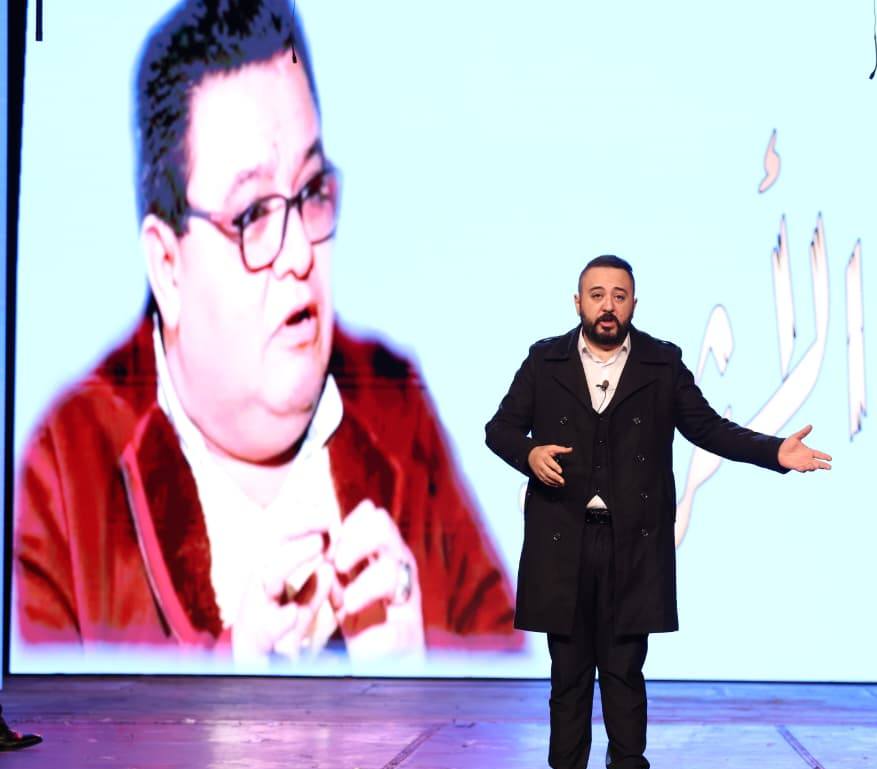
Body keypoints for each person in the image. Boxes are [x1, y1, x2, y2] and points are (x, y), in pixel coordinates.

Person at [13, 0, 517, 667]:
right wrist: (235, 685)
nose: (300, 253)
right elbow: (41, 732)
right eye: (252, 214)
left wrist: (418, 686)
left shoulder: (396, 408)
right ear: (167, 266)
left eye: (310, 192)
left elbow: (513, 702)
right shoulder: (65, 473)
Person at [486, 254, 831, 769]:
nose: (607, 306)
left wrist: (774, 452)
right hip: (562, 541)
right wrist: (529, 453)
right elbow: (498, 429)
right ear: (578, 302)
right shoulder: (544, 360)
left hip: (632, 546)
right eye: (597, 294)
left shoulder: (660, 362)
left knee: (624, 671)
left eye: (619, 296)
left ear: (633, 304)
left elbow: (708, 428)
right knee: (568, 673)